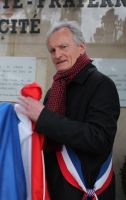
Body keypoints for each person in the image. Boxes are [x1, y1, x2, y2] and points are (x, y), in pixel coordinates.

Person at [15, 19, 120, 200]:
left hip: (84, 190)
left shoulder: (101, 85)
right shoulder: (56, 89)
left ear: (82, 47)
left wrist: (44, 117)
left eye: (64, 47)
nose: (58, 55)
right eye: (52, 50)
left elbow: (100, 139)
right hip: (52, 188)